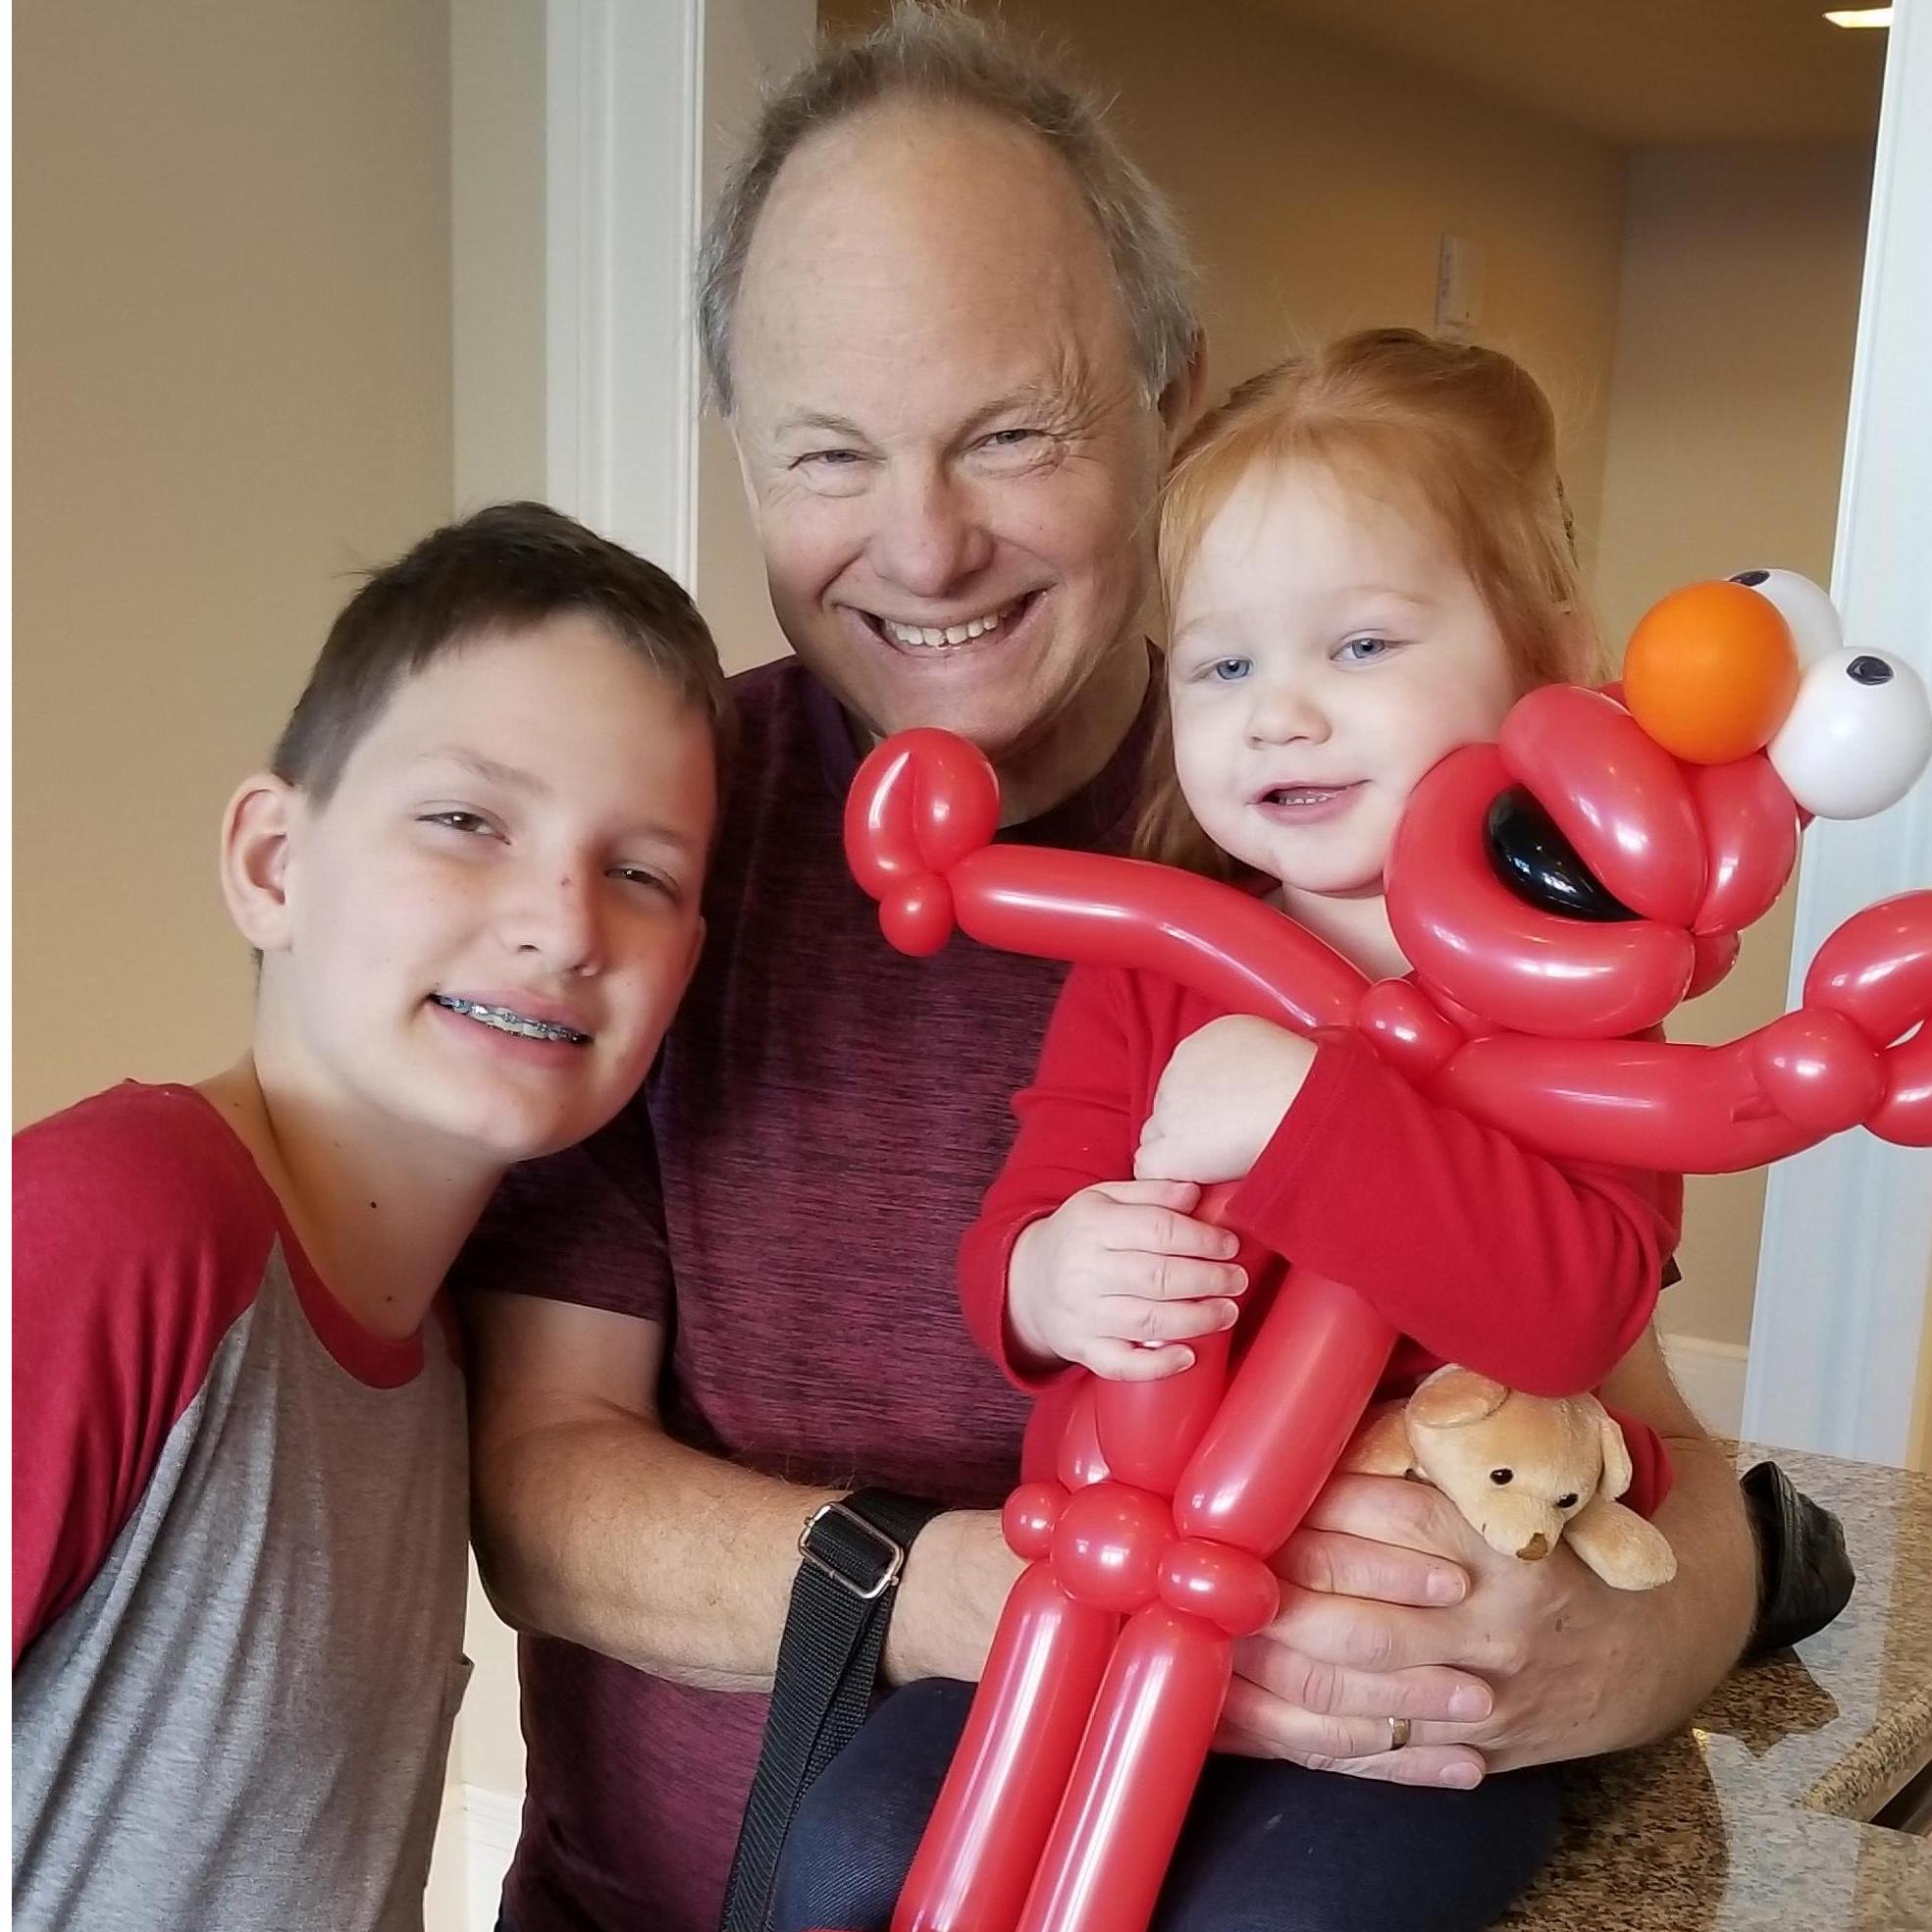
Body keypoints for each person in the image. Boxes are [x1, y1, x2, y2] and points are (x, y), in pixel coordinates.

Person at [457, 16, 1757, 1932]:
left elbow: (1626, 1391)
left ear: (1171, 403)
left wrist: (1624, 1646)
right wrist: (1022, 1588)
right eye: (829, 452)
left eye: (1009, 432)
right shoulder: (652, 833)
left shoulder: (1372, 860)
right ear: (740, 449)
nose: (924, 544)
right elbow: (537, 1492)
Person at [774, 330, 1684, 1932]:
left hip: (1383, 1686)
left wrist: (1310, 1115)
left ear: (1547, 659)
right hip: (1111, 1603)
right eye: (1221, 667)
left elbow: (1581, 1304)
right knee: (851, 1851)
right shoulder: (1150, 960)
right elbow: (1016, 1231)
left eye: (1359, 644)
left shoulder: (1576, 993)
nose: (1279, 717)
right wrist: (1052, 1275)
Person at [11, 503, 727, 1932]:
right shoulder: (109, 1230)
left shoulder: (439, 1360)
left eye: (640, 872)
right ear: (273, 864)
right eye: (467, 822)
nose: (563, 924)